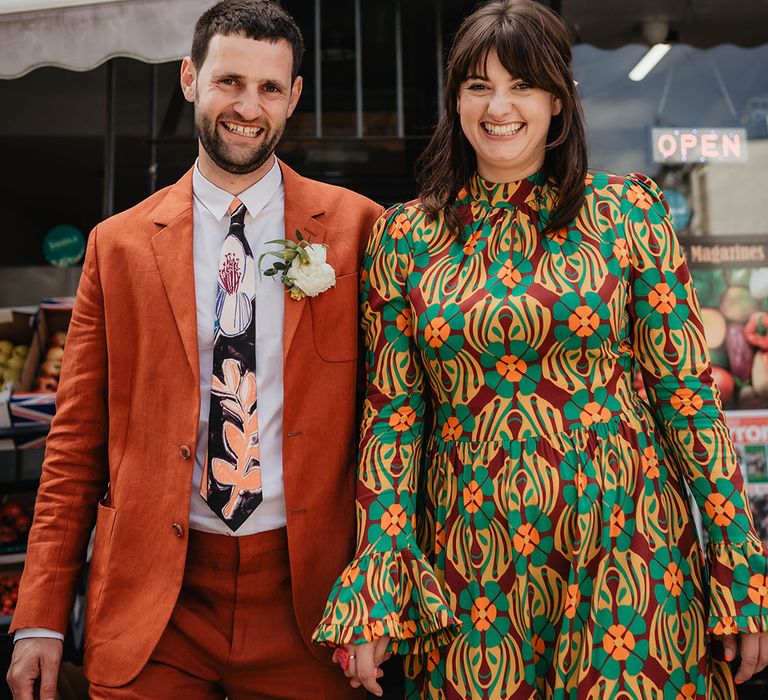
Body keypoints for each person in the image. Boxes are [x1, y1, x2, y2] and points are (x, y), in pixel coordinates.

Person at [312, 0, 768, 697]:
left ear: (558, 98)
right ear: (456, 101)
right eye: (478, 86)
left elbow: (688, 401)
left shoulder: (628, 212)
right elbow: (394, 420)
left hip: (628, 550)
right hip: (471, 564)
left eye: (521, 83)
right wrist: (377, 585)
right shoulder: (405, 236)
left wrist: (738, 565)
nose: (500, 106)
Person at [7, 1, 381, 698]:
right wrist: (40, 619)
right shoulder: (115, 247)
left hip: (313, 601)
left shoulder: (361, 230)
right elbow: (74, 444)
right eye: (229, 82)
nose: (248, 106)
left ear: (295, 96)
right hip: (156, 601)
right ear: (189, 78)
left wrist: (380, 589)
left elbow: (391, 424)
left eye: (270, 87)